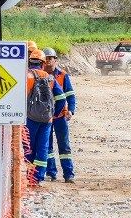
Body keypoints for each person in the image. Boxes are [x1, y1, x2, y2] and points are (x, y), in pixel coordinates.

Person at [25, 48, 64, 184]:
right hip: (47, 120)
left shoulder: (27, 77)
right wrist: (53, 114)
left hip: (30, 118)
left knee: (29, 147)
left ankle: (29, 176)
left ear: (30, 62)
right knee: (43, 148)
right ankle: (39, 177)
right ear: (42, 63)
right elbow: (62, 98)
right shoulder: (50, 78)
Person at [43, 48, 76, 183]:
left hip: (61, 116)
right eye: (46, 59)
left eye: (51, 58)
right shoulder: (40, 75)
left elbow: (70, 95)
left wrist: (71, 110)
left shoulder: (63, 75)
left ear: (55, 60)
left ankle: (68, 174)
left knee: (64, 146)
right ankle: (51, 173)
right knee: (48, 146)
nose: (48, 61)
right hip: (45, 117)